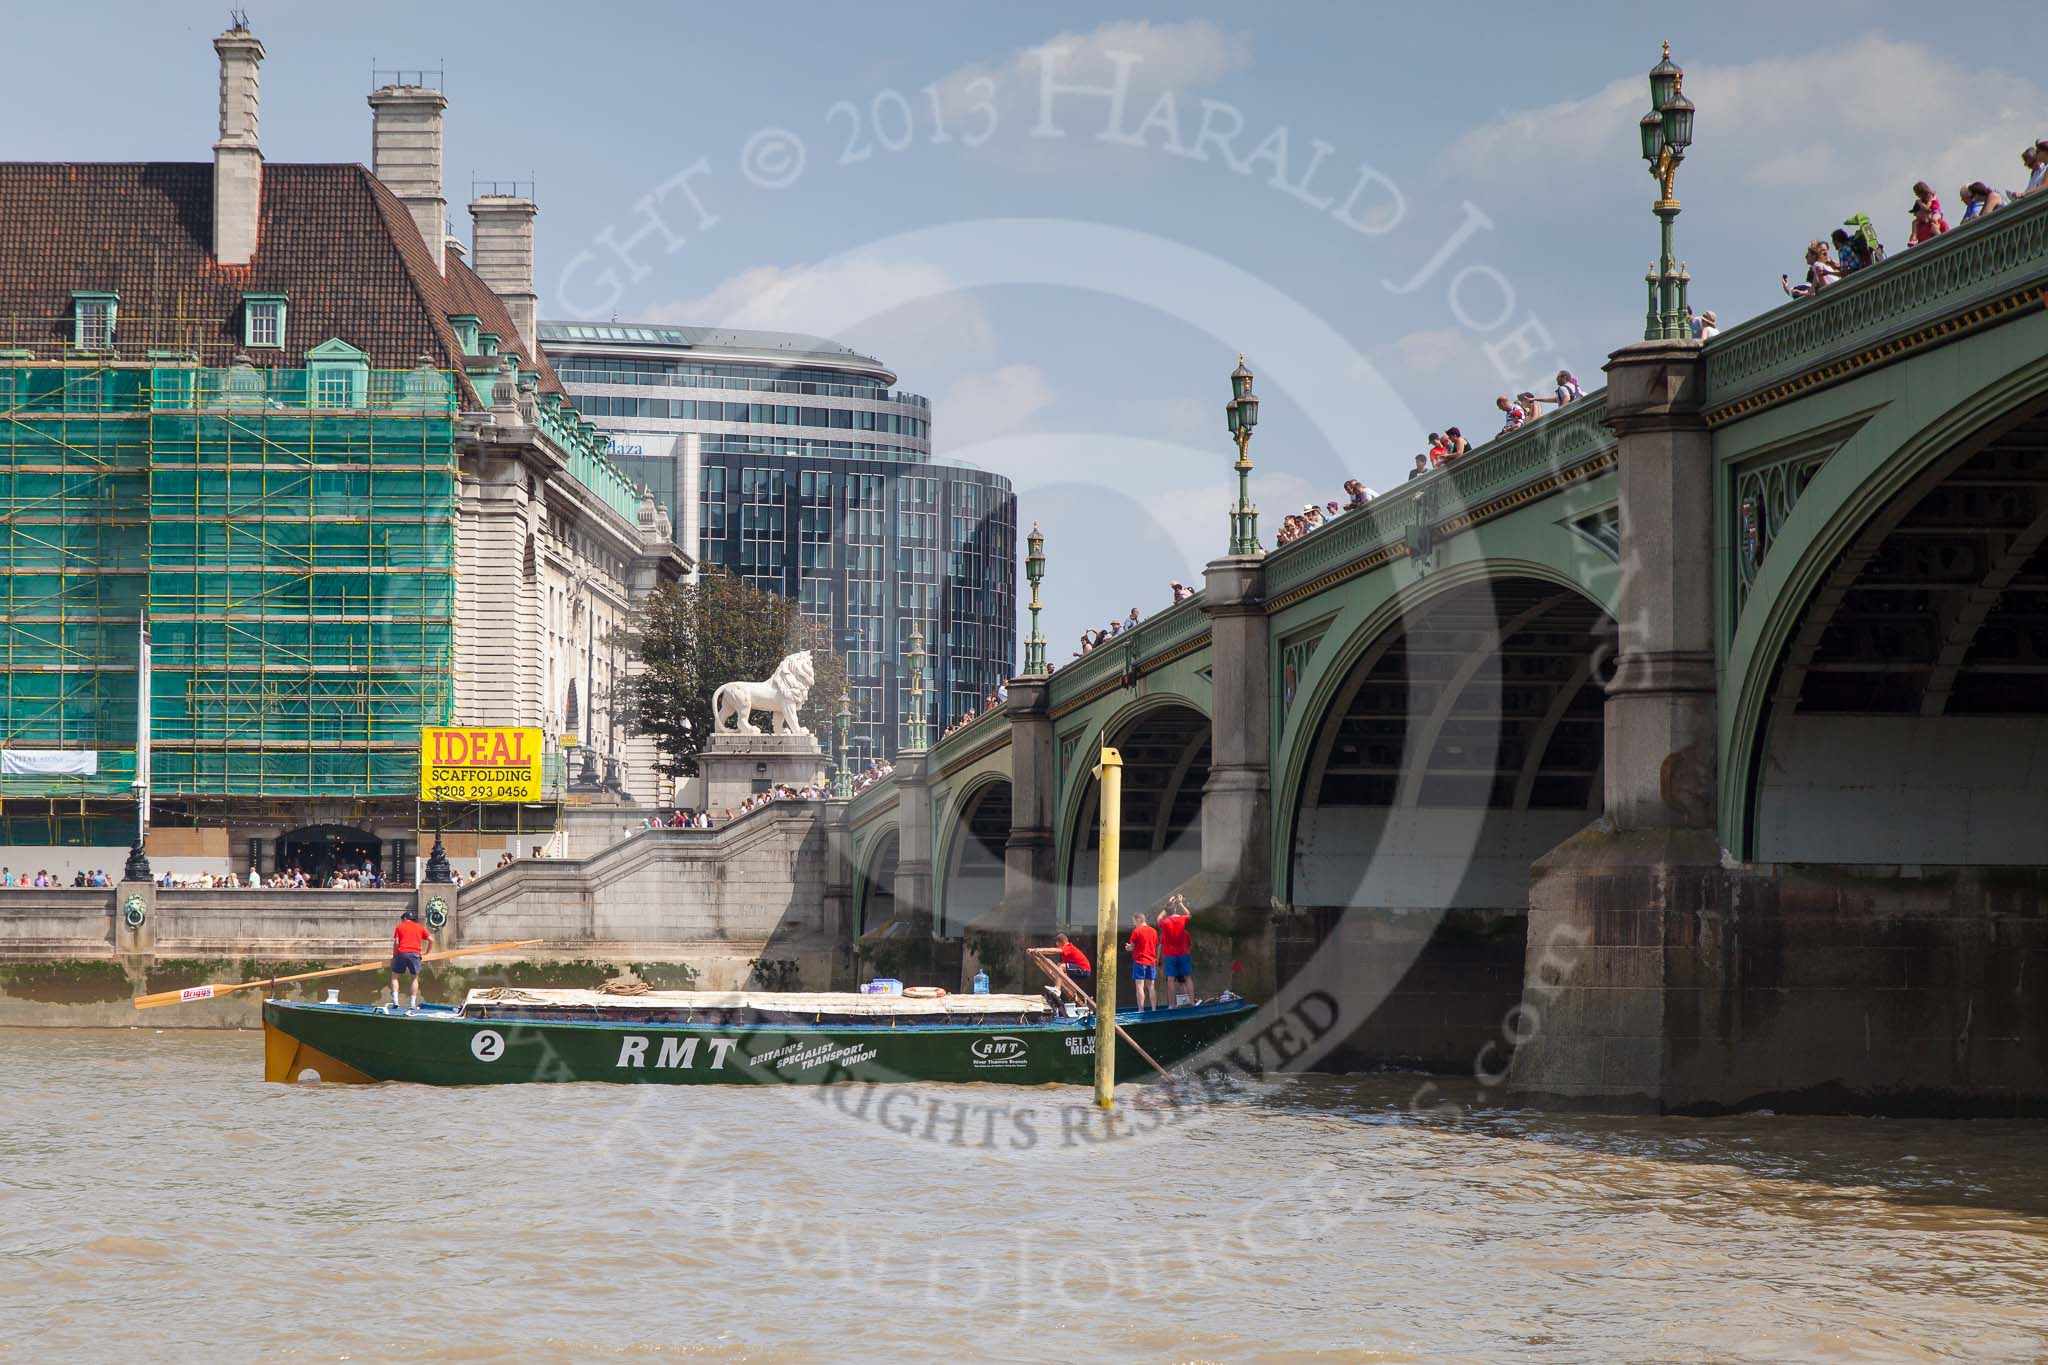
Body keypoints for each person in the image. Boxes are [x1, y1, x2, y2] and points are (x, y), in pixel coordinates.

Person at [389, 907, 432, 1011]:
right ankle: (412, 1004)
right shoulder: (419, 927)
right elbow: (431, 939)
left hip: (402, 953)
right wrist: (427, 953)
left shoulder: (399, 927)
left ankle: (395, 1002)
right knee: (414, 978)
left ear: (404, 919)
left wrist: (394, 956)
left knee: (395, 977)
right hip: (415, 954)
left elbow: (396, 943)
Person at [1157, 893, 1194, 1008]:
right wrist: (1180, 903)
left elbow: (1158, 918)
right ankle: (1191, 1001)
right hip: (1183, 954)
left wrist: (1167, 905)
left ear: (1166, 912)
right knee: (1187, 977)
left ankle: (1172, 1005)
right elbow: (1189, 914)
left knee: (1171, 979)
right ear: (1175, 909)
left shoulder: (1165, 923)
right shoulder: (1182, 919)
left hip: (1170, 955)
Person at [1126, 910, 1159, 1010]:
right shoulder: (1154, 931)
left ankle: (1141, 1010)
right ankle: (1154, 1009)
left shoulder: (1137, 931)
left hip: (1140, 961)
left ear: (1139, 920)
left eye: (1134, 922)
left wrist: (1128, 947)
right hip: (1151, 961)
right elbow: (1155, 944)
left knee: (1139, 986)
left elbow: (1132, 946)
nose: (1134, 924)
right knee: (1151, 986)